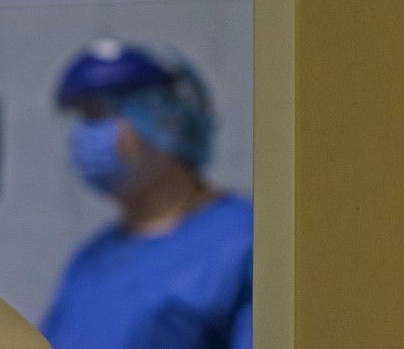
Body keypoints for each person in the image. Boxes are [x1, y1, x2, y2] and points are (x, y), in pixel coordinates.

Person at [41, 39, 252, 349]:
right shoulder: (91, 260)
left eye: (99, 114)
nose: (86, 136)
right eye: (83, 117)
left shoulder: (243, 243)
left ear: (168, 121)